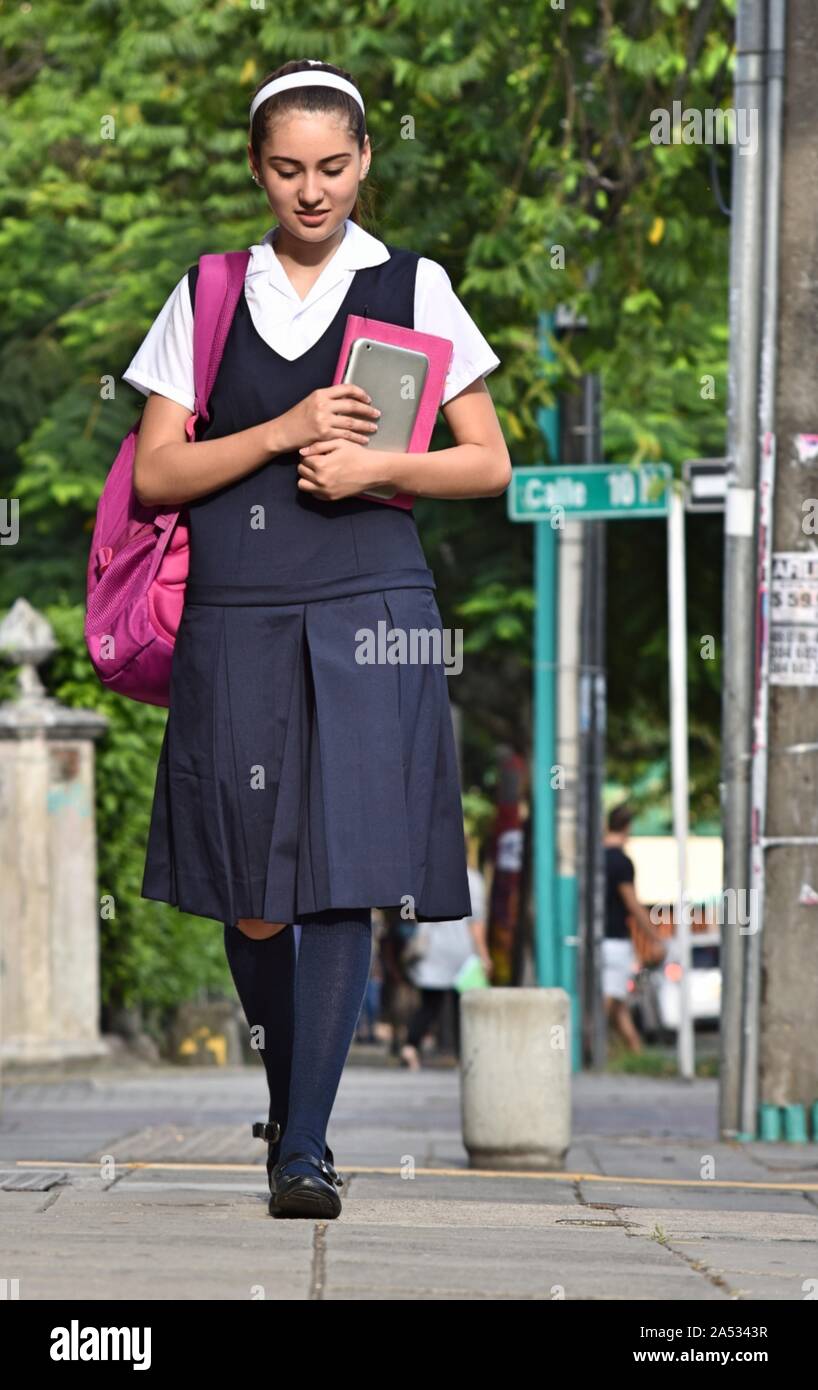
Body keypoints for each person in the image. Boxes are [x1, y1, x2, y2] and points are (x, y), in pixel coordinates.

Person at [122, 59, 510, 1219]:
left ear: (363, 162)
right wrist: (282, 427)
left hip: (369, 607)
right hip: (235, 611)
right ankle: (293, 1104)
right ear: (256, 169)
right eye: (287, 169)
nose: (311, 191)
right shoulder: (204, 290)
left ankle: (304, 1144)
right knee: (254, 890)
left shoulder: (412, 284)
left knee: (344, 878)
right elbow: (154, 471)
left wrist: (378, 463)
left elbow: (486, 460)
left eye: (332, 167)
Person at [400, 862, 491, 1068]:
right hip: (461, 952)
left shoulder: (428, 876)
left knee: (429, 1006)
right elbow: (476, 923)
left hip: (433, 951)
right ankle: (464, 1055)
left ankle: (410, 1047)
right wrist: (484, 955)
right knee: (463, 1006)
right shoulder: (473, 880)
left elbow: (414, 914)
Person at [602, 802, 666, 1054]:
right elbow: (632, 903)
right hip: (615, 940)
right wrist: (655, 937)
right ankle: (590, 1051)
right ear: (628, 827)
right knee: (609, 1001)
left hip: (595, 938)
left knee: (618, 1004)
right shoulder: (621, 862)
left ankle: (636, 1050)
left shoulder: (595, 858)